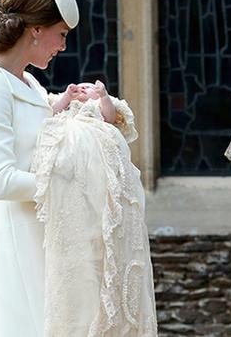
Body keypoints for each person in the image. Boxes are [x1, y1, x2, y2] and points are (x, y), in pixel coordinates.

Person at [32, 78, 157, 335]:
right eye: (79, 86)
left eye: (88, 87)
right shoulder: (64, 107)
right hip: (70, 177)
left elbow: (111, 118)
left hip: (98, 164)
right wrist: (67, 97)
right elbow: (49, 112)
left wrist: (102, 96)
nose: (82, 89)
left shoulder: (99, 108)